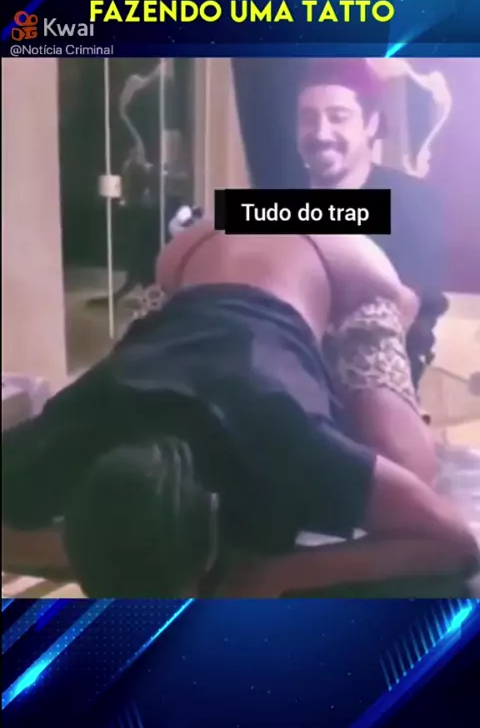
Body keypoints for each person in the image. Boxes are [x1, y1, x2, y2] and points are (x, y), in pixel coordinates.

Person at [2, 223, 478, 598]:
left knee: (412, 466)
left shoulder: (285, 441)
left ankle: (401, 303)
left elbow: (453, 541)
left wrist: (273, 575)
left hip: (333, 253)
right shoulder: (85, 415)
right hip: (194, 251)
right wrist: (91, 549)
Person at [233, 58, 447, 391]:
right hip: (273, 372)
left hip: (367, 380)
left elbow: (401, 310)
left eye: (338, 117)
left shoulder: (411, 201)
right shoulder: (280, 203)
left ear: (371, 124)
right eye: (308, 118)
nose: (321, 133)